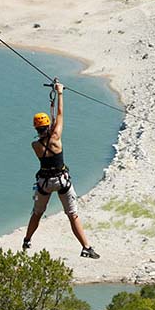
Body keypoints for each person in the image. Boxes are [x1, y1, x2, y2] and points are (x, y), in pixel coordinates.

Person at [22, 80, 100, 259]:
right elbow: (60, 114)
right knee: (73, 214)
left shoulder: (35, 145)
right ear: (48, 126)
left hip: (44, 183)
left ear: (35, 127)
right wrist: (60, 93)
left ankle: (27, 239)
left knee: (37, 213)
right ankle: (86, 247)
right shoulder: (56, 138)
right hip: (62, 180)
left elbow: (50, 127)